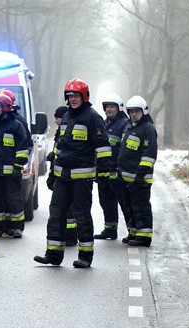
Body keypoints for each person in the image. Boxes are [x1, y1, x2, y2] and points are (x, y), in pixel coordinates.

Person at [34, 78, 111, 268]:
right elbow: (59, 147)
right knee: (56, 214)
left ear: (84, 97)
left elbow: (103, 148)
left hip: (81, 179)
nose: (73, 99)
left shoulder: (93, 118)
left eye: (76, 95)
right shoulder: (66, 117)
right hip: (62, 177)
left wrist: (103, 173)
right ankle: (53, 254)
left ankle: (85, 256)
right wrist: (52, 174)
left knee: (81, 215)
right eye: (70, 95)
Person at [118, 95, 157, 247]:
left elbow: (149, 154)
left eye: (136, 111)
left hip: (140, 179)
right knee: (130, 207)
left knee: (141, 207)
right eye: (131, 111)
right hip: (126, 179)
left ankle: (144, 236)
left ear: (144, 111)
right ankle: (133, 232)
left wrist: (140, 176)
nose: (133, 114)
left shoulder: (148, 129)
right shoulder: (129, 126)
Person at [0, 91, 29, 239]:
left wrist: (17, 166)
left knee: (14, 200)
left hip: (12, 172)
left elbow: (23, 149)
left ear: (6, 108)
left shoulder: (17, 126)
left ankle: (17, 228)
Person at [94, 93, 130, 240]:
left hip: (117, 172)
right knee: (106, 202)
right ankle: (110, 229)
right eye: (107, 107)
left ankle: (132, 231)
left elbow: (125, 149)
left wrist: (118, 168)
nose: (109, 109)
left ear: (119, 108)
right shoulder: (105, 123)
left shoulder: (124, 124)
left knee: (125, 203)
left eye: (112, 107)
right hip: (104, 172)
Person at [46, 106, 78, 245]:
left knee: (69, 211)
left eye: (57, 117)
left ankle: (70, 237)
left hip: (67, 176)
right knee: (60, 210)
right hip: (59, 173)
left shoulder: (67, 130)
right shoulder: (60, 131)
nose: (55, 121)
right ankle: (66, 237)